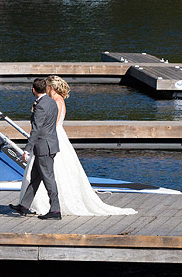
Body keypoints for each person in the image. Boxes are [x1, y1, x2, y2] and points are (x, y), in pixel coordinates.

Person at [19, 75, 136, 217]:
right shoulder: (54, 101)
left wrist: (34, 119)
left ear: (51, 88)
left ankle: (54, 209)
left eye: (48, 87)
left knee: (49, 176)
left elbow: (48, 124)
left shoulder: (52, 102)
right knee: (38, 174)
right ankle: (24, 206)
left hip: (48, 139)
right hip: (55, 138)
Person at [10, 77, 61, 219]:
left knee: (48, 179)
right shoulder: (51, 102)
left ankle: (55, 210)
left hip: (43, 146)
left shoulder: (40, 106)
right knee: (35, 177)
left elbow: (36, 129)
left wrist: (27, 149)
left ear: (33, 90)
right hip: (50, 144)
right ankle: (24, 206)